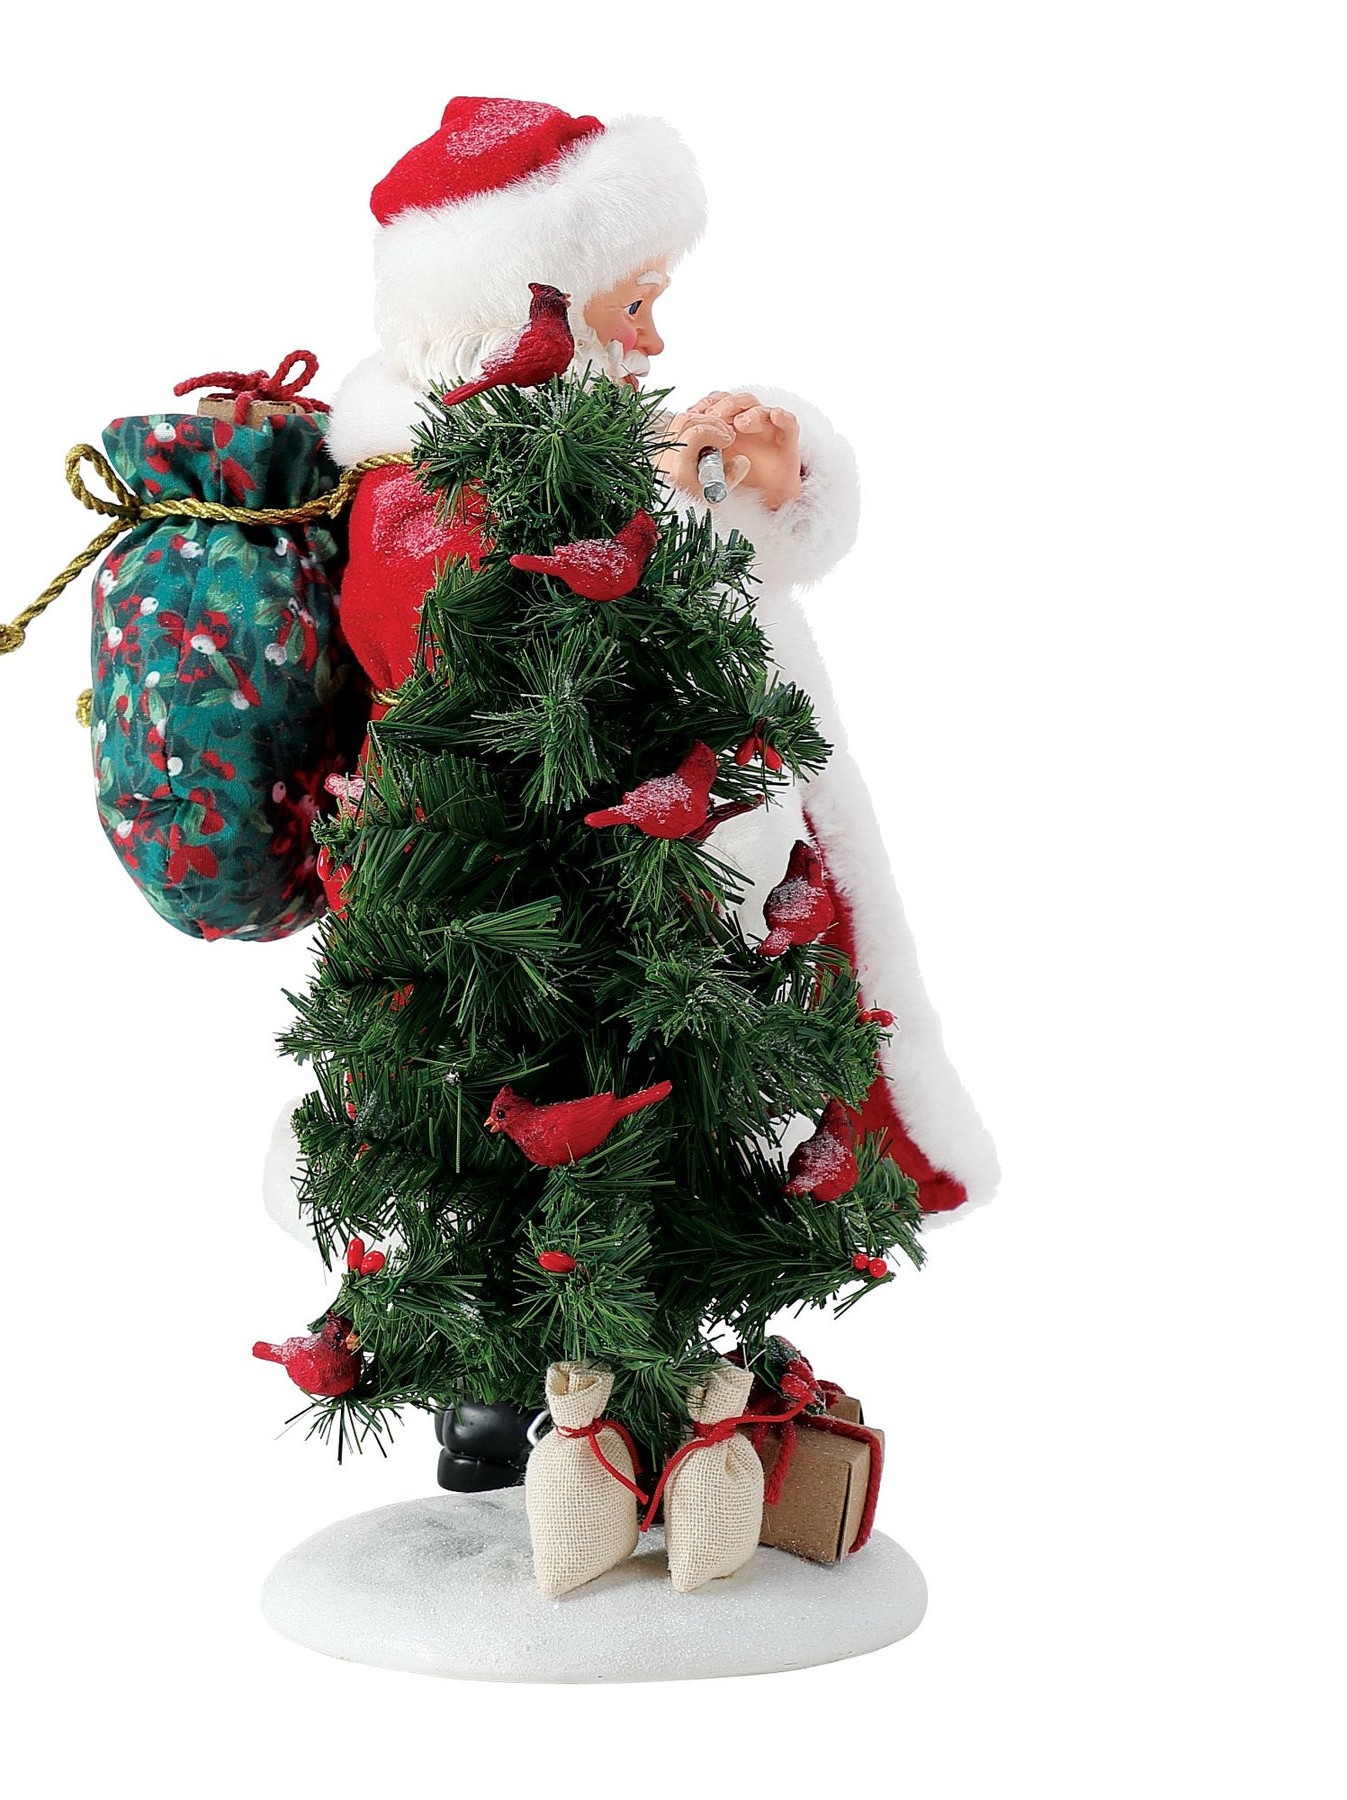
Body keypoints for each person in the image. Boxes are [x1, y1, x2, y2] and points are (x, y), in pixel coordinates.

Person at [309, 96, 1000, 1486]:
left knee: (655, 1132)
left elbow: (716, 584)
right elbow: (507, 653)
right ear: (526, 300)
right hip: (496, 918)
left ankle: (647, 1390)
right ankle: (503, 1401)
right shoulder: (409, 481)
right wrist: (667, 503)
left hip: (638, 894)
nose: (656, 342)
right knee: (500, 1155)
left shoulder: (572, 444)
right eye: (633, 305)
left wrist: (760, 476)